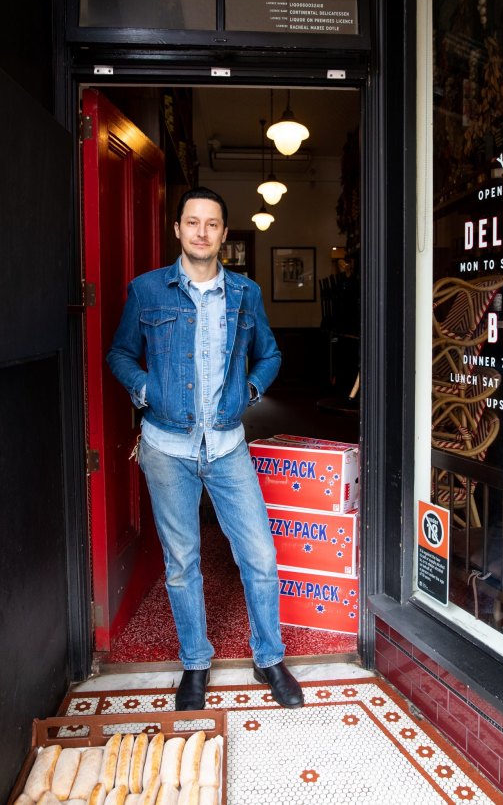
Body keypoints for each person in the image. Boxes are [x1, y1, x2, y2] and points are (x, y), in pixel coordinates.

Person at [106, 186, 304, 711]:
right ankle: (195, 662)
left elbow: (271, 353)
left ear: (223, 233)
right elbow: (121, 353)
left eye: (211, 224)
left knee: (259, 554)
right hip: (166, 446)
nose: (201, 232)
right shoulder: (147, 291)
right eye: (192, 222)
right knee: (182, 561)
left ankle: (269, 658)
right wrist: (147, 391)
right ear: (177, 229)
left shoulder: (244, 293)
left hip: (227, 446)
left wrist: (253, 390)